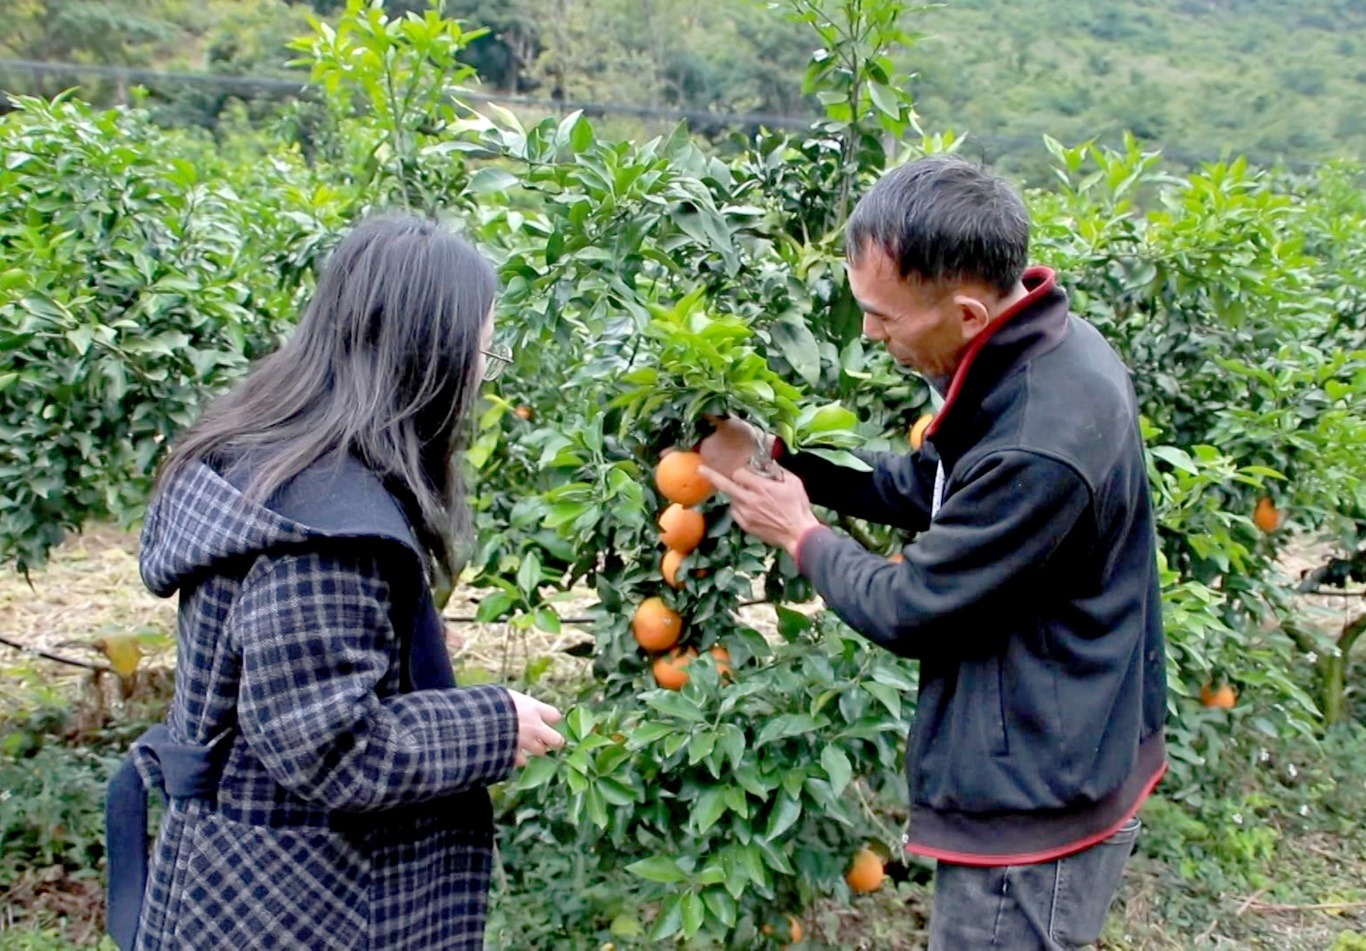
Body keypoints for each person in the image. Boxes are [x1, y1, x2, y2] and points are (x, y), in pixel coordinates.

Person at [698, 155, 1167, 950]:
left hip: (1035, 802)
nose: (871, 335)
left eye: (884, 318)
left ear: (968, 311)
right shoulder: (1034, 350)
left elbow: (913, 607)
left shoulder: (1038, 437)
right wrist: (787, 455)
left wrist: (799, 532)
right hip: (1054, 740)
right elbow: (933, 486)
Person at [105, 214, 566, 951]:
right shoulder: (325, 529)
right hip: (293, 908)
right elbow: (329, 746)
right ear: (428, 356)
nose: (482, 374)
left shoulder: (271, 461)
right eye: (481, 350)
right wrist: (492, 725)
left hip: (239, 886)